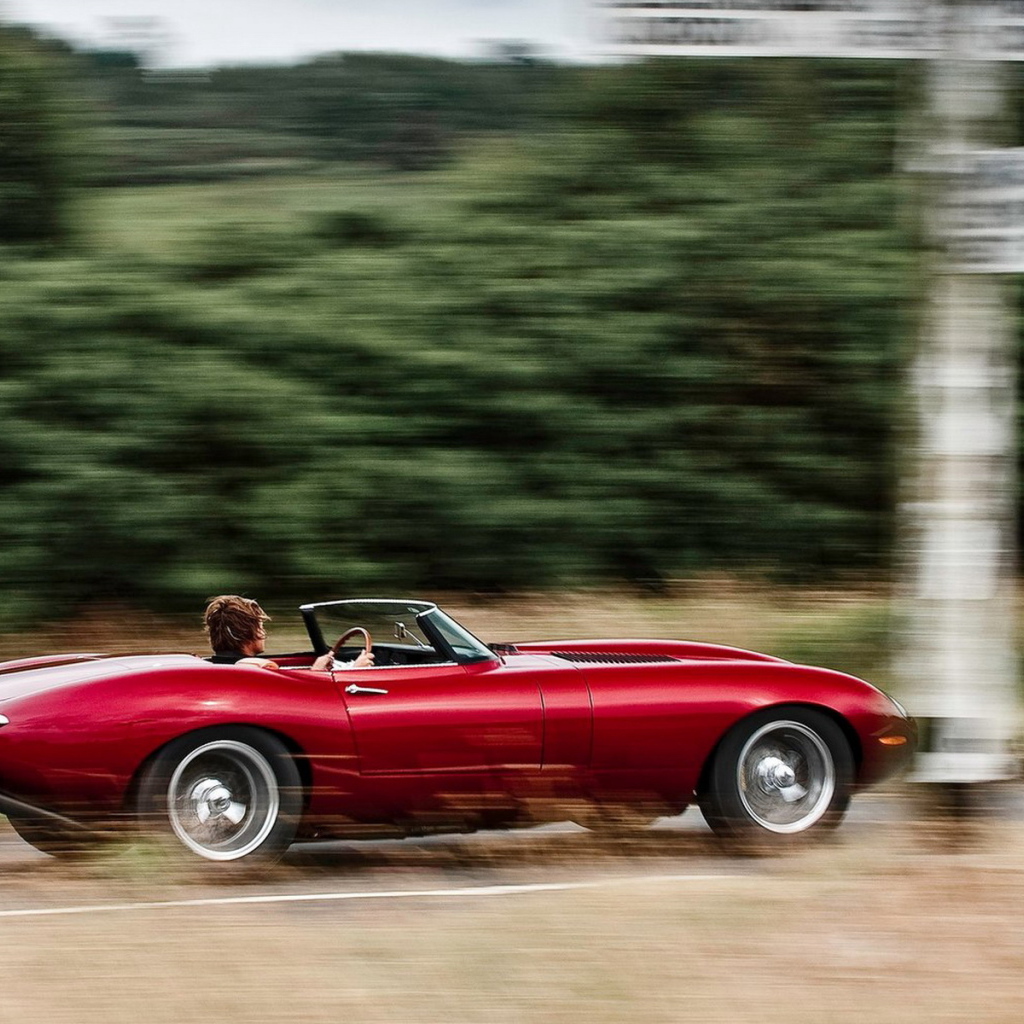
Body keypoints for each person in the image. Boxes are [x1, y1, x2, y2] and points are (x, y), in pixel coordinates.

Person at [203, 595, 374, 670]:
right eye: (260, 626)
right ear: (248, 632)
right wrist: (354, 669)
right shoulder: (258, 669)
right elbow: (296, 701)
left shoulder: (212, 665)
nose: (263, 632)